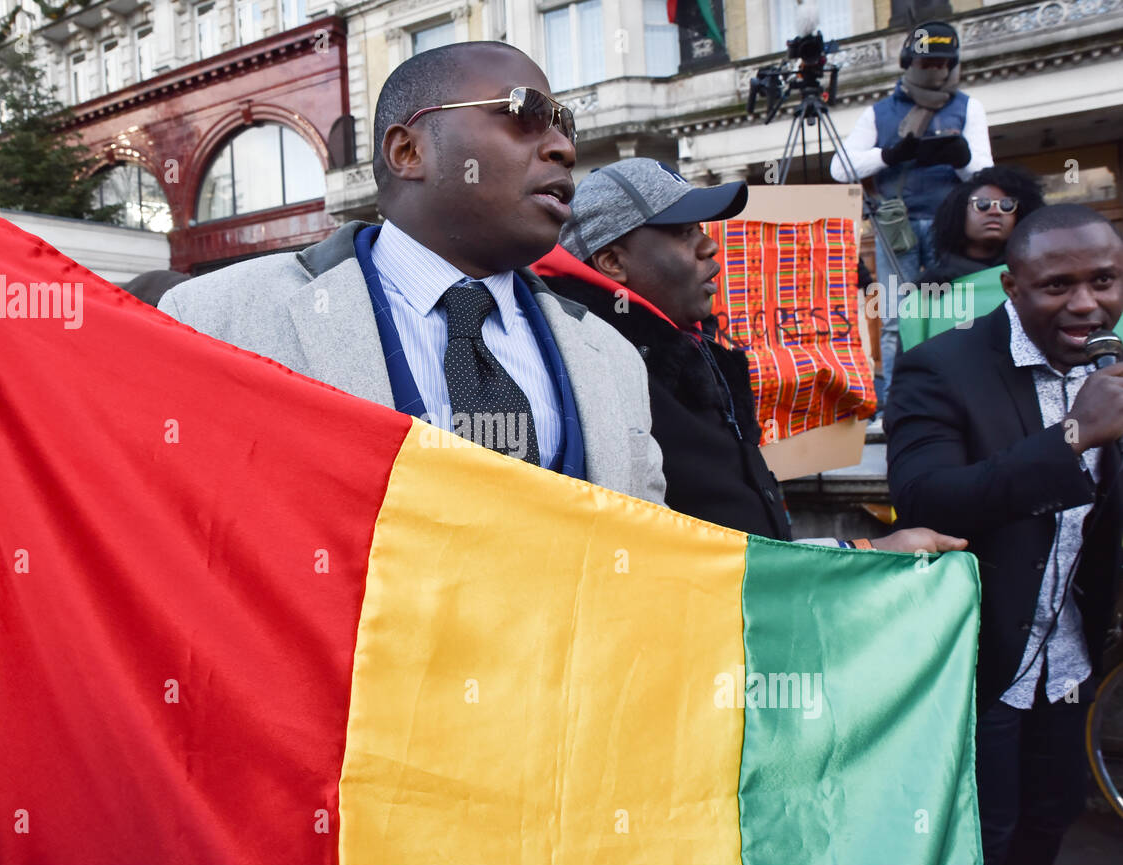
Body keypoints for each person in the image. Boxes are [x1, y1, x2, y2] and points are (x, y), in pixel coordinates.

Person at [160, 42, 665, 503]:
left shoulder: (613, 358)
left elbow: (649, 549)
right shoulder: (214, 322)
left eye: (564, 125)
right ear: (408, 151)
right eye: (524, 112)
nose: (564, 149)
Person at [534, 156, 965, 554]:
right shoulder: (594, 373)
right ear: (612, 260)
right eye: (685, 233)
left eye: (702, 230)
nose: (710, 248)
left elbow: (744, 549)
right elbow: (689, 566)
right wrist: (865, 553)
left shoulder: (688, 351)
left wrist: (863, 551)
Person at [886, 204, 1123, 865]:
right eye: (1057, 286)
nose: (1086, 304)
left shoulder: (1114, 366)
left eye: (1105, 281)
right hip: (978, 663)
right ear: (1012, 286)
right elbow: (928, 499)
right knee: (978, 837)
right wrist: (1074, 436)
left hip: (1070, 665)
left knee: (1050, 822)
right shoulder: (941, 365)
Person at [831, 19, 993, 409]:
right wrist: (888, 155)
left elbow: (986, 175)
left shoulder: (969, 107)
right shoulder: (879, 113)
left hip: (949, 227)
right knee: (893, 317)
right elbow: (839, 169)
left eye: (943, 63)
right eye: (928, 63)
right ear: (909, 63)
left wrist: (962, 158)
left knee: (953, 311)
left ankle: (961, 396)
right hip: (895, 228)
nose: (936, 71)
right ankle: (896, 403)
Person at [919, 165, 1045, 286]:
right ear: (959, 213)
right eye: (982, 204)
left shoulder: (1037, 276)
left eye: (1006, 205)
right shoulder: (932, 286)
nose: (995, 212)